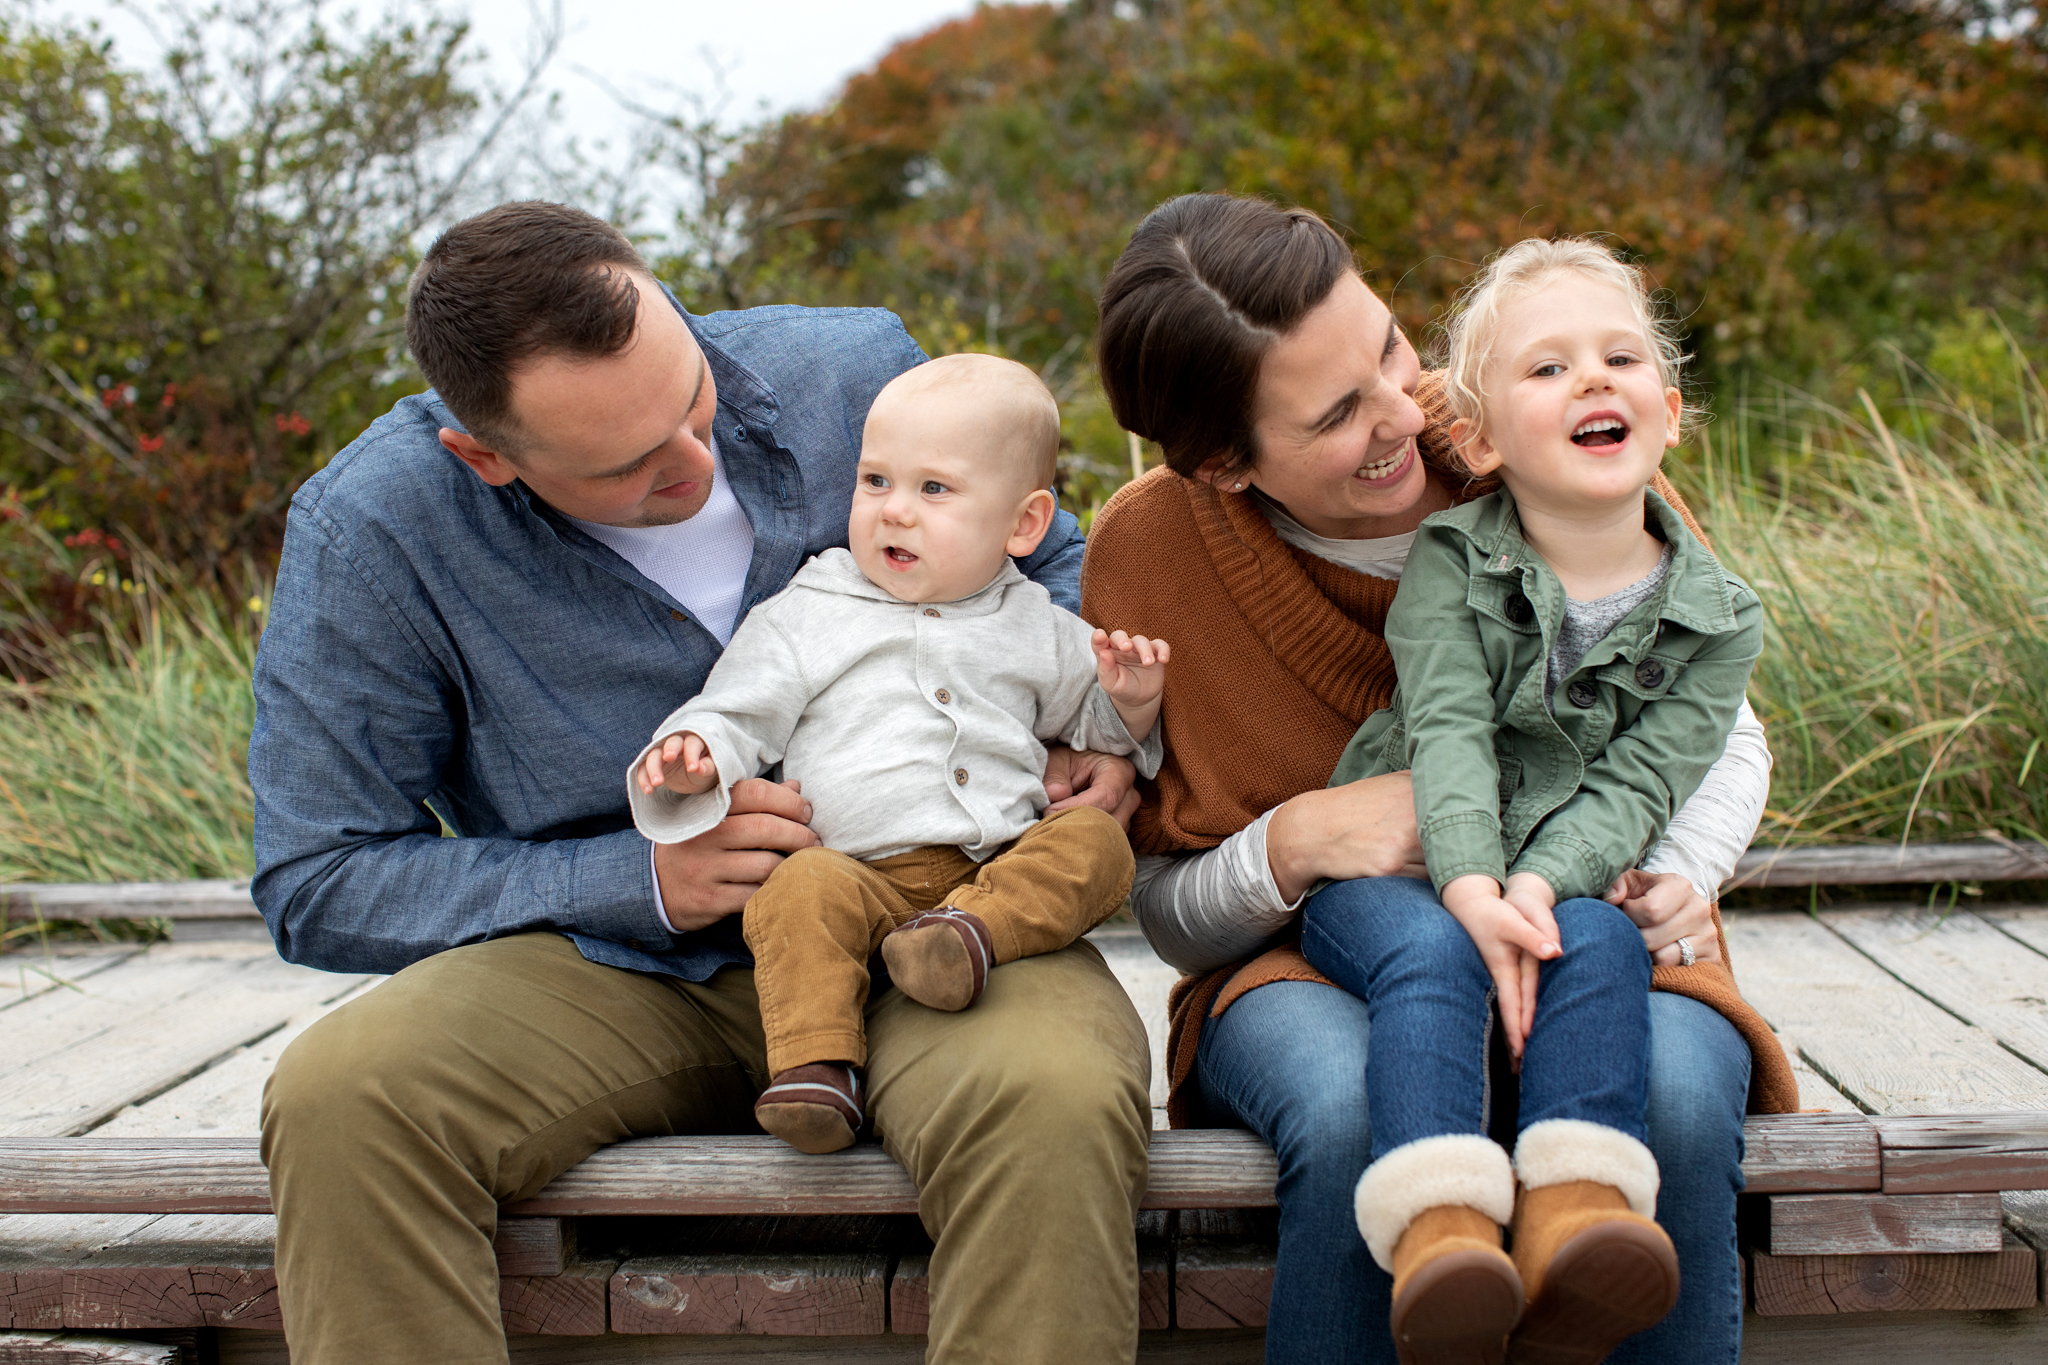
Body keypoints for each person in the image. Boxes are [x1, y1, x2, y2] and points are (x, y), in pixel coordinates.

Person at [249, 202, 1152, 1365]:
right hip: (618, 971)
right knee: (344, 1098)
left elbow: (1049, 555)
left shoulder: (852, 370)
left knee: (1052, 1098)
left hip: (941, 919)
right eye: (625, 467)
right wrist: (641, 880)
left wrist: (1103, 740)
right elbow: (319, 879)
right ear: (486, 457)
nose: (693, 462)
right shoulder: (372, 532)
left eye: (691, 402)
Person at [1082, 193, 1798, 1365]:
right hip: (1313, 957)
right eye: (1332, 418)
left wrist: (1674, 871)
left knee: (1668, 1098)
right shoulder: (1151, 554)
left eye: (1386, 350)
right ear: (1221, 463)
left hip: (1582, 915)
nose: (1400, 421)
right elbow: (1160, 910)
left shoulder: (1527, 421)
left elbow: (1722, 732)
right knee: (1352, 1104)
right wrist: (1298, 840)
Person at [1304, 237, 1767, 1364]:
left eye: (1616, 359)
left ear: (1665, 412)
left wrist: (1532, 885)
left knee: (1603, 943)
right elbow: (1449, 732)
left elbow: (1642, 778)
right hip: (1396, 874)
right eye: (1546, 369)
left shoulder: (1720, 618)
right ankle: (1439, 1232)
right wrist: (1470, 882)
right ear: (1477, 439)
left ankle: (1575, 1219)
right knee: (1433, 956)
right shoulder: (1452, 561)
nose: (1591, 381)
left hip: (1548, 880)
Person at [627, 353, 1168, 1155]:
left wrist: (1130, 701)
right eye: (875, 481)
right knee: (793, 892)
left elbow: (1096, 736)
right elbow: (742, 706)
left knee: (1096, 844)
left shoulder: (1036, 623)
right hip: (856, 872)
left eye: (934, 489)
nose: (894, 513)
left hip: (997, 867)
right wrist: (697, 753)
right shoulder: (813, 606)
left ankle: (969, 937)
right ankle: (817, 1067)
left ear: (1024, 525)